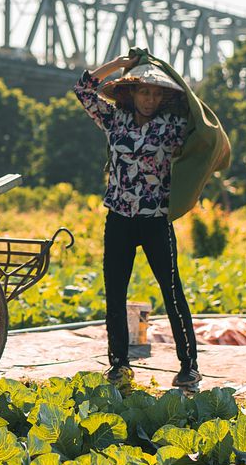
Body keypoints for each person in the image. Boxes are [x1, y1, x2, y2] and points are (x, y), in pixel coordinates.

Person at [73, 53, 201, 390]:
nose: (150, 99)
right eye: (145, 92)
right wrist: (117, 64)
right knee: (115, 292)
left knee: (172, 291)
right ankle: (119, 364)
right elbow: (84, 89)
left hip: (156, 219)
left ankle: (189, 364)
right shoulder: (115, 119)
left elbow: (202, 124)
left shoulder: (173, 127)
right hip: (119, 218)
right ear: (132, 93)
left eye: (157, 93)